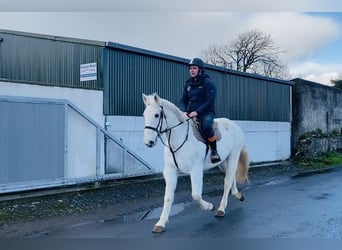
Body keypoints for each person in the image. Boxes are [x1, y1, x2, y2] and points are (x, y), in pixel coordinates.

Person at [179, 57, 221, 163]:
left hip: (206, 112)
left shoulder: (208, 83)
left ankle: (214, 151)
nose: (191, 70)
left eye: (194, 68)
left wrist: (197, 112)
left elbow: (210, 101)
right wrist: (183, 111)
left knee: (207, 125)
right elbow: (183, 100)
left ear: (200, 70)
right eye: (190, 69)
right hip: (189, 113)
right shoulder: (188, 84)